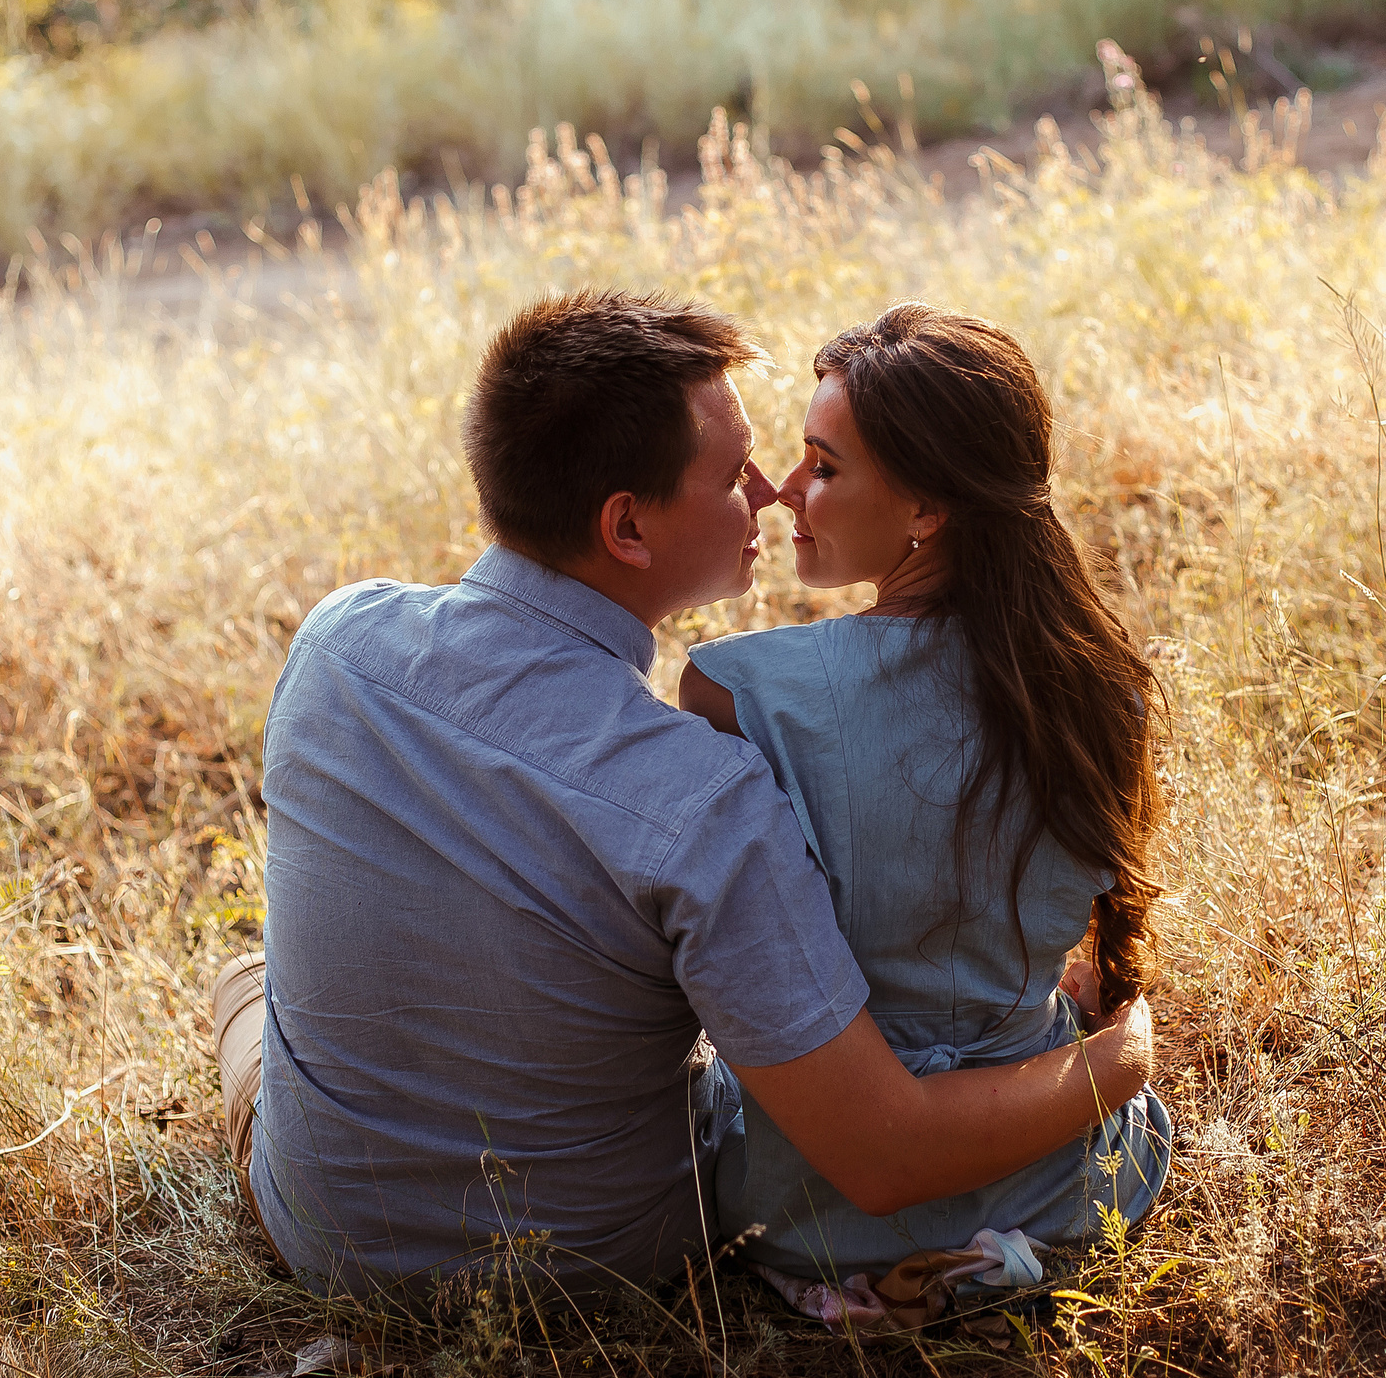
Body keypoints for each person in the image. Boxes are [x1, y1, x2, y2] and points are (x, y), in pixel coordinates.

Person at [211, 288, 1157, 1296]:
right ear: (627, 527)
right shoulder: (701, 796)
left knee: (244, 981)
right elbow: (884, 1152)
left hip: (320, 1238)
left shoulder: (336, 641)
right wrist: (1123, 1060)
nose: (770, 490)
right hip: (592, 1270)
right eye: (731, 473)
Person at [680, 303, 1173, 1285]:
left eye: (822, 465)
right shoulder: (1097, 683)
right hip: (1066, 1181)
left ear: (926, 509)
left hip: (799, 1199)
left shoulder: (740, 692)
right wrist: (1109, 1043)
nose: (782, 492)